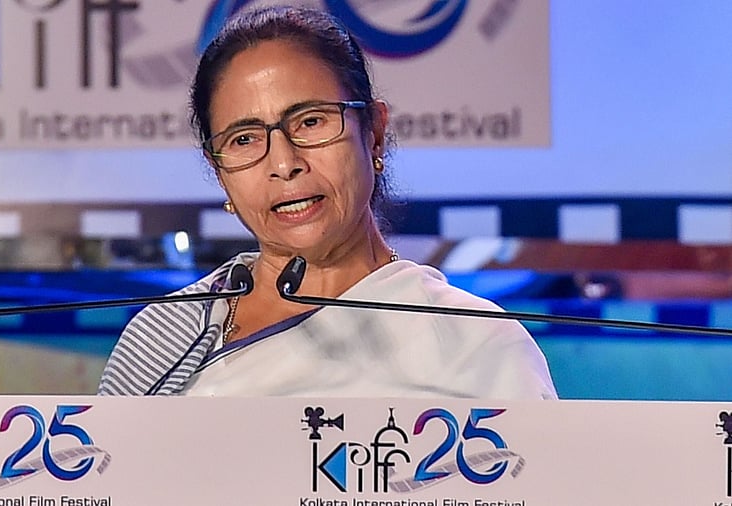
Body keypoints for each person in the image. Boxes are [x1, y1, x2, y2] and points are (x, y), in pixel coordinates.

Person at [98, 6, 557, 399]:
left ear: (373, 132)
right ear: (219, 171)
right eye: (243, 139)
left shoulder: (473, 342)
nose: (284, 163)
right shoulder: (167, 334)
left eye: (311, 121)